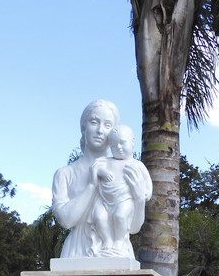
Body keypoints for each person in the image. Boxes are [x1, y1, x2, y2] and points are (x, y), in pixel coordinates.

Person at [51, 100, 151, 259]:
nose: (99, 130)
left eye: (107, 125)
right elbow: (66, 221)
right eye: (94, 122)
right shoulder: (65, 173)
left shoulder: (129, 169)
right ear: (83, 127)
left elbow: (133, 228)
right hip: (76, 254)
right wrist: (92, 186)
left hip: (118, 254)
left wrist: (139, 200)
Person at [92, 125, 152, 257]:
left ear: (132, 142)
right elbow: (95, 170)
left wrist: (146, 192)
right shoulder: (106, 161)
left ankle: (119, 241)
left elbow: (147, 182)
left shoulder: (136, 164)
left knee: (120, 216)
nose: (118, 147)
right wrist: (101, 172)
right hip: (104, 199)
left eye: (122, 143)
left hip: (124, 199)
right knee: (99, 217)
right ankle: (107, 239)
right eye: (114, 145)